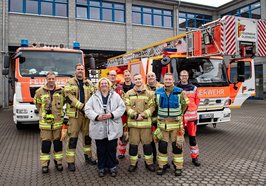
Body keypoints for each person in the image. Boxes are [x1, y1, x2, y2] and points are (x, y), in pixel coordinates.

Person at [85, 78, 126, 177]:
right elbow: (87, 108)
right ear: (99, 86)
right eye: (102, 83)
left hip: (112, 127)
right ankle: (101, 167)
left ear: (109, 85)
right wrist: (96, 116)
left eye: (105, 83)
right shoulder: (94, 97)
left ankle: (112, 167)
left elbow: (122, 107)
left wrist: (111, 115)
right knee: (101, 149)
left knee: (111, 148)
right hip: (99, 127)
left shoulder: (116, 96)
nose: (104, 85)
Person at [155, 73, 189, 176]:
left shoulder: (180, 92)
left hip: (176, 126)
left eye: (170, 79)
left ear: (173, 80)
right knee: (162, 146)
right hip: (162, 126)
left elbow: (185, 105)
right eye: (166, 79)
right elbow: (155, 107)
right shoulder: (158, 92)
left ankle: (178, 167)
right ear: (163, 81)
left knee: (177, 147)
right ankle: (162, 165)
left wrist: (179, 114)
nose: (168, 81)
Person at [64, 64, 96, 172]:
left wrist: (90, 109)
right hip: (75, 115)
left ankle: (88, 157)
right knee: (72, 139)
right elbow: (68, 97)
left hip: (87, 115)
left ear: (84, 71)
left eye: (82, 69)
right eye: (78, 69)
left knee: (88, 138)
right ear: (75, 71)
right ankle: (70, 161)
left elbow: (94, 96)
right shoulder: (70, 83)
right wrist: (81, 106)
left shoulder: (89, 83)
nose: (80, 71)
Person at [124, 74, 156, 173]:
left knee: (147, 146)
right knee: (133, 146)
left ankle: (149, 163)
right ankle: (133, 164)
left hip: (145, 125)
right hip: (133, 125)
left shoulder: (150, 93)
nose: (138, 81)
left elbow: (153, 107)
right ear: (134, 80)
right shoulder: (129, 93)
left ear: (142, 80)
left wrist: (143, 115)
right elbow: (126, 106)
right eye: (136, 79)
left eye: (139, 79)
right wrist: (134, 115)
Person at [34, 72, 65, 173]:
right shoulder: (40, 91)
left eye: (53, 78)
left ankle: (58, 162)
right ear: (46, 79)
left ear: (55, 79)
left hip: (58, 124)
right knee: (46, 145)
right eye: (49, 79)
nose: (51, 80)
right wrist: (43, 113)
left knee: (58, 144)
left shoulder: (61, 91)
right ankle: (44, 165)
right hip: (45, 125)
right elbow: (37, 104)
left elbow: (64, 103)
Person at [176, 70, 201, 167]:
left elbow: (197, 101)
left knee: (192, 139)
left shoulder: (194, 88)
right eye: (182, 75)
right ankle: (179, 158)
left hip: (191, 118)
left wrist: (193, 109)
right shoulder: (176, 88)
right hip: (180, 118)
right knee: (179, 139)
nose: (184, 77)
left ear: (188, 76)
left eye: (185, 75)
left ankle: (195, 157)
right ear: (180, 76)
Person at [144, 72, 163, 163]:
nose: (151, 77)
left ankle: (162, 159)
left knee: (161, 140)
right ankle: (153, 159)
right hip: (149, 118)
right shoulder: (143, 88)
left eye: (152, 76)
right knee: (150, 140)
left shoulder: (162, 87)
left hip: (160, 118)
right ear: (146, 78)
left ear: (156, 77)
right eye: (149, 76)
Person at [117, 70, 134, 159]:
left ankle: (133, 152)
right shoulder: (120, 87)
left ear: (130, 76)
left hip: (133, 113)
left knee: (133, 134)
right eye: (125, 75)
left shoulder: (135, 86)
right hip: (123, 114)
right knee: (123, 134)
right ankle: (122, 152)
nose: (127, 76)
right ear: (124, 76)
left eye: (128, 75)